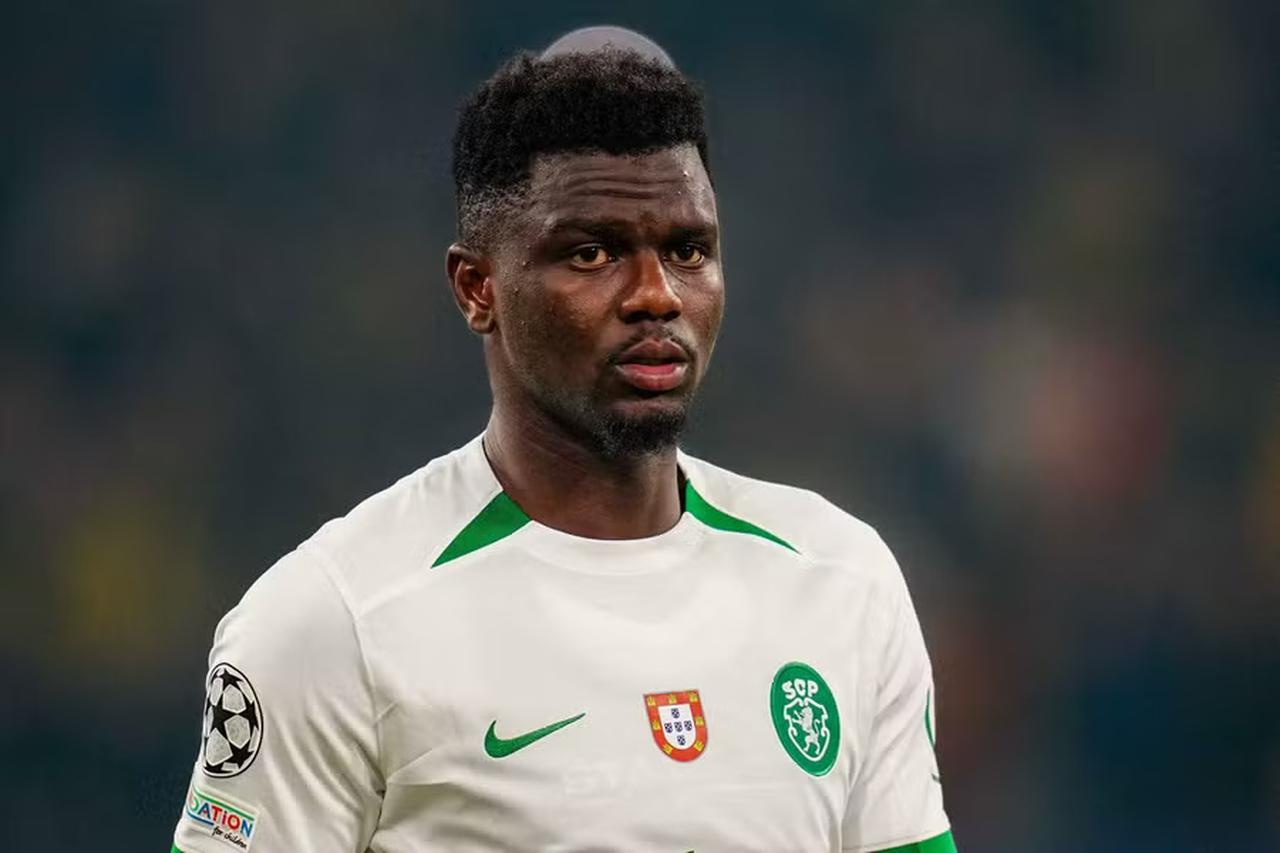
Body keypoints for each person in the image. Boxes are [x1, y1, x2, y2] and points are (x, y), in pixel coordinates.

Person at [171, 26, 956, 853]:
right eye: (592, 252)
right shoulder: (331, 622)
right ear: (478, 288)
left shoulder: (840, 580)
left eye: (688, 249)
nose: (657, 295)